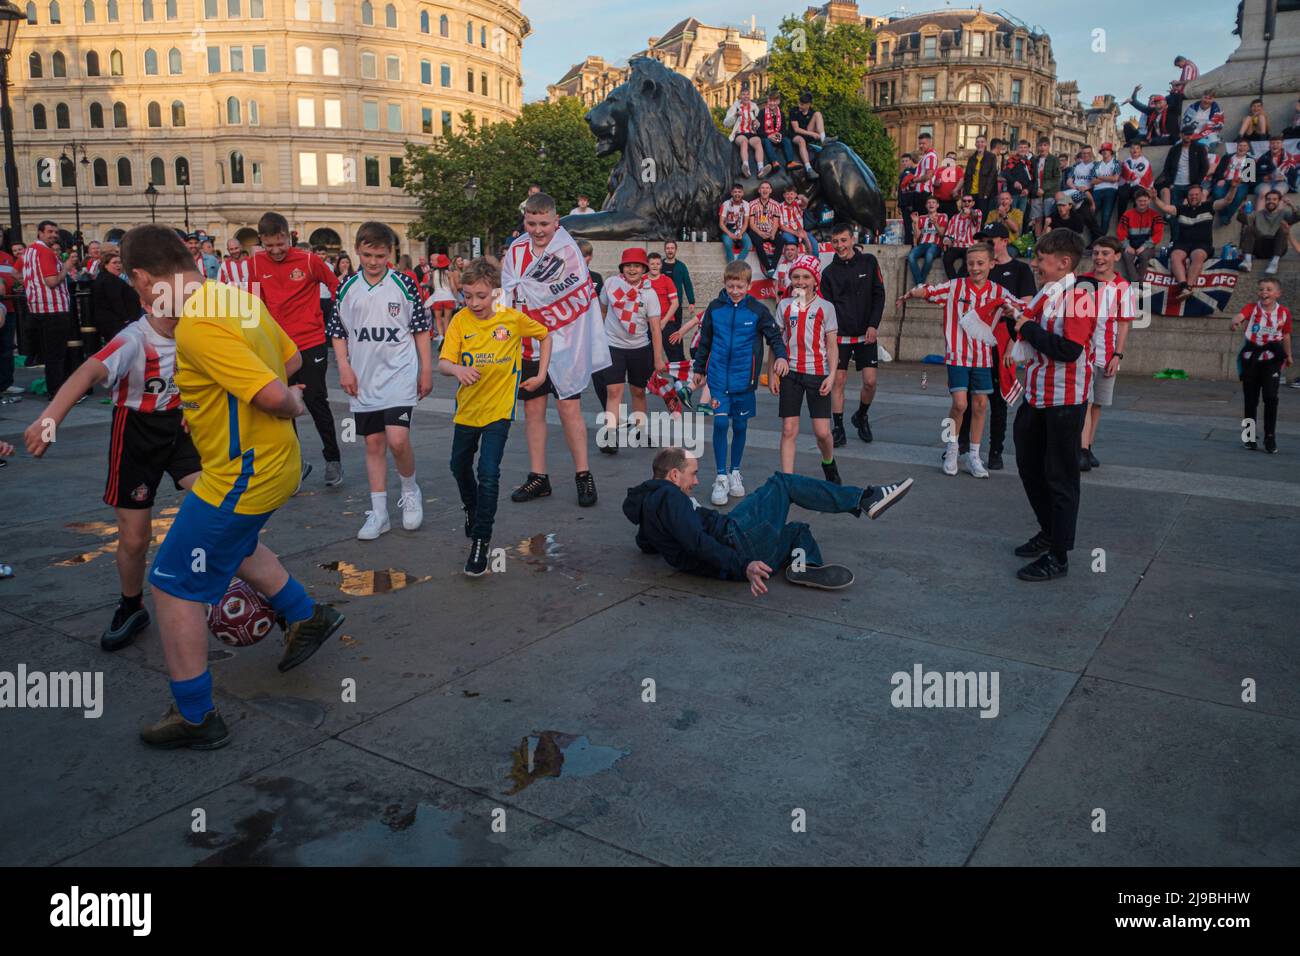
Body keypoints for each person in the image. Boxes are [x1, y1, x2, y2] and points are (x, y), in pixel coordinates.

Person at [122, 224, 343, 750]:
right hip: (274, 463)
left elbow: (275, 390)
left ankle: (197, 716)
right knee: (236, 543)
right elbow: (288, 358)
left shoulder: (196, 324)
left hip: (243, 473)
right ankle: (305, 615)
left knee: (173, 583)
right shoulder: (233, 297)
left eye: (136, 287)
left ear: (142, 277)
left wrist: (289, 402)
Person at [22, 300, 201, 652]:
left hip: (182, 429)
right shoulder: (134, 339)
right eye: (169, 303)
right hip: (136, 433)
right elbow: (85, 373)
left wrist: (196, 405)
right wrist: (50, 419)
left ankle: (244, 587)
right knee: (135, 537)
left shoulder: (195, 333)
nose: (179, 310)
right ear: (148, 301)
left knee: (217, 501)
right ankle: (131, 606)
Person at [623, 447, 914, 594]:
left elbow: (646, 543)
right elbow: (696, 542)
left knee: (797, 530)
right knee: (782, 483)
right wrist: (743, 565)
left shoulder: (650, 507)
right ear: (674, 475)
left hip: (742, 560)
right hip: (735, 542)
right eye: (692, 474)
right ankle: (864, 498)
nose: (697, 481)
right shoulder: (669, 497)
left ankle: (803, 565)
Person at [440, 258, 552, 574]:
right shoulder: (460, 321)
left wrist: (541, 374)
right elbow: (444, 363)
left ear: (495, 293)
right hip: (467, 411)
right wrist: (458, 369)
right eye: (468, 295)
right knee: (458, 466)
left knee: (488, 472)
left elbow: (545, 335)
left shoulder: (512, 319)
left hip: (499, 412)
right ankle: (471, 508)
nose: (474, 302)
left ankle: (480, 540)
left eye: (481, 296)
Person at [995, 229, 1096, 581]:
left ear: (1064, 262)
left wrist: (1025, 326)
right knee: (1028, 464)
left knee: (1061, 476)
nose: (1035, 264)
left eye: (1042, 259)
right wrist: (1012, 318)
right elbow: (1025, 326)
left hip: (1065, 399)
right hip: (1037, 394)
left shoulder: (1080, 294)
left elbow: (1070, 349)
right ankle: (1049, 531)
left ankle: (1059, 555)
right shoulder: (1047, 293)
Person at [502, 191, 609, 509]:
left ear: (556, 221)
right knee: (533, 410)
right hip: (529, 344)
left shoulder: (567, 249)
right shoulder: (516, 250)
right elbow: (509, 292)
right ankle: (539, 476)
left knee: (569, 410)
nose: (537, 230)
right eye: (531, 223)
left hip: (563, 342)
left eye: (543, 224)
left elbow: (578, 293)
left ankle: (583, 474)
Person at [327, 222, 433, 541]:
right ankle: (379, 512)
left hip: (399, 373)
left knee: (398, 440)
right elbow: (338, 332)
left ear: (391, 253)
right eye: (368, 254)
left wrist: (425, 369)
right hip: (364, 377)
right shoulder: (346, 287)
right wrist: (344, 367)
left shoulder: (404, 284)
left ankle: (410, 489)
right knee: (373, 444)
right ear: (358, 250)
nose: (374, 261)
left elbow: (420, 328)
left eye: (380, 255)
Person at [899, 241, 1015, 479]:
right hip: (958, 356)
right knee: (960, 404)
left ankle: (974, 454)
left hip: (983, 357)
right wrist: (913, 293)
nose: (975, 268)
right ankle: (951, 448)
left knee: (981, 405)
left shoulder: (998, 292)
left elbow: (1019, 307)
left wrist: (1015, 312)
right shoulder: (955, 286)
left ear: (992, 264)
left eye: (980, 263)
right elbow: (930, 291)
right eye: (971, 263)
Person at [251, 212, 343, 487]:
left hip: (310, 341)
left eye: (281, 244)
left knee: (315, 401)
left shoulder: (308, 260)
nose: (276, 251)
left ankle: (333, 459)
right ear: (261, 242)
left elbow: (335, 286)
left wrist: (334, 318)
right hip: (276, 346)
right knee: (281, 405)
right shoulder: (255, 263)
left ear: (289, 236)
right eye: (270, 246)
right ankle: (295, 465)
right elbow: (254, 302)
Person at [692, 259, 787, 506]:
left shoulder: (757, 310)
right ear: (725, 283)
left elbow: (775, 337)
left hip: (745, 379)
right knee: (721, 423)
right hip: (718, 378)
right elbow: (705, 340)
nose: (735, 291)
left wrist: (782, 358)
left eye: (740, 286)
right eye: (731, 285)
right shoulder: (715, 308)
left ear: (748, 285)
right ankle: (721, 477)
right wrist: (698, 369)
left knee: (741, 426)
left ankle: (735, 471)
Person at [954, 223, 1036, 470]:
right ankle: (955, 446)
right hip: (969, 347)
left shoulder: (1020, 270)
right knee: (960, 402)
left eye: (989, 242)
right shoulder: (968, 274)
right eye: (981, 242)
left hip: (1001, 346)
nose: (984, 248)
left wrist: (1012, 346)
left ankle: (995, 450)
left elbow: (1024, 311)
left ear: (1004, 241)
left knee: (997, 402)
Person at [771, 255, 839, 483]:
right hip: (790, 373)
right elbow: (776, 341)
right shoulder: (784, 306)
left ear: (815, 280)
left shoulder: (826, 308)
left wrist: (831, 375)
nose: (800, 281)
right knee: (789, 429)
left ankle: (828, 462)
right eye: (796, 276)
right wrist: (772, 372)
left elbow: (831, 346)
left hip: (818, 374)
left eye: (806, 277)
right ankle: (787, 481)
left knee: (822, 433)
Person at [820, 223, 885, 448]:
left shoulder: (869, 262)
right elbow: (826, 308)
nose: (840, 246)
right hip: (840, 337)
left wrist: (873, 325)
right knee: (838, 380)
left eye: (844, 240)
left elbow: (879, 295)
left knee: (870, 382)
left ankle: (861, 415)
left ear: (852, 239)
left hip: (866, 333)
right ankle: (838, 427)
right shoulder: (828, 273)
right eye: (835, 242)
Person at [598, 248, 664, 450]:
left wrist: (658, 358)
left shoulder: (649, 294)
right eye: (628, 265)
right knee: (613, 391)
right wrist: (598, 338)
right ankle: (609, 437)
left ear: (643, 268)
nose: (632, 269)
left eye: (636, 265)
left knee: (638, 392)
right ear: (622, 267)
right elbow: (602, 309)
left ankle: (640, 434)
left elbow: (655, 328)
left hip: (639, 348)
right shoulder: (610, 284)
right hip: (613, 345)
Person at [1078, 237, 1135, 470]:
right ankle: (1080, 450)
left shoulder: (1123, 287)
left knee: (1098, 403)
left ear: (1117, 256)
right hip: (1082, 354)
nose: (1099, 258)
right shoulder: (1082, 283)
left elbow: (1123, 323)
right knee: (1085, 402)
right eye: (1096, 253)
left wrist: (1117, 355)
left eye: (1105, 253)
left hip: (1107, 353)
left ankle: (1088, 447)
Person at [1231, 277, 1291, 453]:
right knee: (1250, 400)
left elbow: (1286, 335)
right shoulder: (1252, 308)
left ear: (1277, 293)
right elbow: (1240, 316)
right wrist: (1234, 322)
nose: (1264, 292)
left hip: (1272, 358)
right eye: (1261, 289)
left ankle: (1270, 437)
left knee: (1271, 397)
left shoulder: (1284, 312)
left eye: (1269, 289)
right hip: (1252, 358)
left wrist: (1288, 355)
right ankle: (1249, 437)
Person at [23, 220, 78, 397]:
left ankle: (53, 389)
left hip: (36, 309)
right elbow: (52, 281)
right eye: (49, 232)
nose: (54, 235)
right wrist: (67, 267)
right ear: (40, 233)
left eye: (56, 232)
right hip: (54, 309)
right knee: (56, 355)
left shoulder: (29, 251)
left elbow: (17, 273)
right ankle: (57, 393)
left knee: (48, 355)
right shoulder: (46, 252)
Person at [1151, 183, 1221, 299]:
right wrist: (1155, 198)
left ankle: (1189, 287)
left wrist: (1233, 188)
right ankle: (1184, 286)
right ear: (1187, 196)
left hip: (1202, 244)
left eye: (1196, 194)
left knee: (1198, 256)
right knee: (1175, 257)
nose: (1193, 197)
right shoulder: (1181, 208)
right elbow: (1165, 208)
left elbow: (1227, 201)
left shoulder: (1209, 206)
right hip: (1183, 243)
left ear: (1201, 195)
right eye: (1191, 195)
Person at [1154, 124, 1210, 240]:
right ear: (1181, 135)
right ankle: (1175, 241)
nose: (1188, 136)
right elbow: (1167, 168)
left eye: (1190, 134)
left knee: (1193, 214)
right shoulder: (1174, 149)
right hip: (1176, 185)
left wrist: (1196, 184)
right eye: (1186, 134)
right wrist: (1170, 183)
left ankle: (1194, 240)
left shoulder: (1199, 148)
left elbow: (1204, 167)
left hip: (1192, 186)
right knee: (1175, 214)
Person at [90, 251, 141, 344]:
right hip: (115, 322)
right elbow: (115, 300)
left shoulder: (106, 278)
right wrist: (126, 318)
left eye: (120, 263)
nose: (118, 265)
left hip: (112, 321)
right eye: (114, 263)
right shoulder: (110, 279)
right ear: (105, 265)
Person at [1241, 191, 1296, 274]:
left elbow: (1297, 216)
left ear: (1279, 201)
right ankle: (1247, 261)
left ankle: (1274, 263)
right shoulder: (1258, 214)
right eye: (1268, 199)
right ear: (1265, 201)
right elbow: (1243, 219)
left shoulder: (1284, 213)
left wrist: (1291, 205)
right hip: (1260, 248)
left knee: (1282, 229)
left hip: (1277, 248)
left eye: (1274, 199)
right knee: (1249, 228)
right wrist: (1241, 209)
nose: (1271, 201)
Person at [1117, 189, 1164, 282]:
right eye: (1140, 201)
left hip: (1148, 246)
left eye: (1145, 201)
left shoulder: (1155, 216)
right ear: (1136, 201)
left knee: (1143, 255)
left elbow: (1158, 234)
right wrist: (1127, 246)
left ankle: (1141, 283)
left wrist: (1144, 246)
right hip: (1131, 245)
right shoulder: (1127, 215)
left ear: (1149, 200)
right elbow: (1121, 232)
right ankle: (1135, 283)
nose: (1142, 203)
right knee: (1126, 255)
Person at [724, 82, 765, 178]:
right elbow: (726, 124)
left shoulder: (754, 107)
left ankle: (761, 168)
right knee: (744, 141)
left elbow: (758, 123)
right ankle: (745, 166)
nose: (746, 97)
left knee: (758, 141)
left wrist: (757, 124)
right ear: (740, 96)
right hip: (740, 133)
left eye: (747, 94)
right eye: (743, 94)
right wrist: (735, 115)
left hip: (751, 132)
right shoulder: (735, 107)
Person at [1212, 139, 1257, 226]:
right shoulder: (1227, 157)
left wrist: (1241, 180)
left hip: (1241, 182)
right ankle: (1225, 215)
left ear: (1248, 148)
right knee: (1217, 193)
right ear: (1237, 146)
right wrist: (1220, 179)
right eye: (1240, 145)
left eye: (1245, 146)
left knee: (1239, 196)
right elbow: (1219, 170)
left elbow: (1251, 178)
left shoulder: (1250, 160)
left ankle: (1226, 217)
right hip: (1225, 180)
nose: (1242, 148)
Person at [747, 180, 784, 278]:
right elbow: (751, 223)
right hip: (757, 230)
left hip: (770, 230)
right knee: (758, 243)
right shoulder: (752, 204)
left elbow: (776, 222)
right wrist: (760, 233)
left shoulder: (775, 204)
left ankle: (773, 266)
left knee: (780, 241)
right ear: (759, 190)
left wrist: (772, 233)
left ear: (771, 190)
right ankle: (768, 268)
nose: (765, 190)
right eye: (762, 188)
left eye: (767, 188)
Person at [908, 196, 947, 285]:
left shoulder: (943, 216)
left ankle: (919, 284)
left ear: (937, 205)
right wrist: (915, 222)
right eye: (929, 203)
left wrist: (935, 223)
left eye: (933, 202)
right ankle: (920, 284)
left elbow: (942, 234)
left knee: (929, 255)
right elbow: (917, 236)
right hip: (923, 244)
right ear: (926, 206)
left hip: (935, 245)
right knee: (911, 256)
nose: (931, 204)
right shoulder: (921, 217)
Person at [941, 194, 983, 279]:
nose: (967, 203)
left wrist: (970, 212)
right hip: (956, 245)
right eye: (964, 201)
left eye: (969, 201)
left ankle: (957, 282)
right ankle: (954, 281)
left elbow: (976, 216)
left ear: (973, 203)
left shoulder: (978, 212)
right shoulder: (954, 217)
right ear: (961, 203)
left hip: (970, 246)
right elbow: (949, 234)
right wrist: (946, 240)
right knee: (946, 259)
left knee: (968, 263)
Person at [788, 90, 825, 179]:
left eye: (802, 105)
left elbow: (813, 127)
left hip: (807, 132)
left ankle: (824, 139)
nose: (799, 106)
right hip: (795, 134)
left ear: (808, 105)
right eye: (799, 104)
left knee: (818, 114)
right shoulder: (794, 111)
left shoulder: (812, 112)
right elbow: (796, 129)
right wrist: (812, 134)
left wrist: (817, 133)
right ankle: (809, 168)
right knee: (801, 141)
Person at [661, 240, 696, 334]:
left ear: (676, 250)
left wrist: (691, 302)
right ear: (665, 250)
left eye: (672, 248)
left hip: (676, 304)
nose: (670, 250)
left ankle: (675, 348)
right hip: (661, 304)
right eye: (668, 248)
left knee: (675, 331)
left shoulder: (681, 266)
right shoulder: (659, 265)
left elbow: (687, 284)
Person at [1028, 137, 1062, 232]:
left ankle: (1047, 240)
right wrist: (1033, 192)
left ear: (1048, 146)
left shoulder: (1054, 160)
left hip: (1049, 194)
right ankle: (1038, 241)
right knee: (1037, 219)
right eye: (1040, 145)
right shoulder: (1034, 160)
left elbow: (1057, 178)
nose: (1042, 148)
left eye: (1045, 145)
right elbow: (1032, 178)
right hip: (1036, 194)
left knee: (1048, 218)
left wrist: (1043, 188)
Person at [760, 89, 795, 178]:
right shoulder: (761, 112)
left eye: (774, 101)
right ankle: (774, 162)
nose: (772, 103)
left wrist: (780, 135)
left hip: (777, 136)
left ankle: (790, 162)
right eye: (770, 100)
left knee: (786, 140)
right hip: (766, 137)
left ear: (778, 102)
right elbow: (758, 130)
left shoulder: (781, 113)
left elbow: (784, 129)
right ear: (767, 101)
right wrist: (769, 136)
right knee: (767, 142)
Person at [962, 135, 999, 217]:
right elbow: (967, 177)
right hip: (971, 193)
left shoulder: (991, 157)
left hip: (984, 193)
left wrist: (986, 193)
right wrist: (965, 193)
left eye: (982, 142)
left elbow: (992, 176)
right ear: (975, 144)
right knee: (970, 215)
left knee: (982, 216)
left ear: (985, 144)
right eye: (978, 142)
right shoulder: (972, 158)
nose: (980, 144)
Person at [778, 183, 817, 255]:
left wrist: (802, 197)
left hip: (801, 231)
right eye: (787, 194)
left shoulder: (798, 203)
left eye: (792, 194)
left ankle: (814, 262)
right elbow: (781, 226)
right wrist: (796, 233)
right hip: (788, 232)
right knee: (791, 242)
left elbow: (805, 202)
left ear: (795, 195)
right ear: (784, 196)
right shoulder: (779, 207)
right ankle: (793, 263)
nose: (789, 196)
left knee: (814, 243)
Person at [423, 253, 456, 338]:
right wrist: (455, 297)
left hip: (437, 298)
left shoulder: (434, 273)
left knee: (438, 320)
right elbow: (452, 287)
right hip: (448, 298)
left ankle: (441, 337)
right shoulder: (450, 273)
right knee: (447, 320)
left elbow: (433, 286)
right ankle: (447, 338)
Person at [1091, 144, 1121, 237]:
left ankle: (1101, 236)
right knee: (1091, 213)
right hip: (1097, 190)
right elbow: (1093, 181)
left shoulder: (1116, 163)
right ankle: (1094, 236)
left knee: (1106, 215)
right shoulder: (1097, 164)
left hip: (1111, 190)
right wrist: (1108, 177)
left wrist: (1099, 177)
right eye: (1103, 150)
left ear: (1111, 152)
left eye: (1107, 150)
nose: (1104, 152)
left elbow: (1115, 178)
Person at [718, 182, 753, 264]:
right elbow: (721, 224)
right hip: (728, 230)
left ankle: (737, 263)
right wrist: (729, 234)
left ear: (743, 193)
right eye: (735, 192)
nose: (737, 194)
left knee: (748, 245)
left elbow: (746, 223)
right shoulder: (726, 204)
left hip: (740, 229)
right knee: (727, 244)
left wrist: (741, 233)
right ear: (732, 193)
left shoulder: (746, 204)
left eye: (739, 192)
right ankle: (731, 264)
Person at [1118, 142, 1154, 217]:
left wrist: (1127, 171)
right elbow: (1123, 174)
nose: (1135, 150)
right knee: (1122, 195)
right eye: (1133, 148)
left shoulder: (1145, 162)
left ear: (1141, 150)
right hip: (1127, 184)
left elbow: (1137, 175)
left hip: (1139, 184)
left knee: (1138, 195)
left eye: (1137, 148)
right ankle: (1121, 220)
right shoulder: (1126, 161)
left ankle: (1136, 219)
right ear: (1130, 150)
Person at [1004, 140, 1034, 216]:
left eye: (1025, 147)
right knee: (1011, 215)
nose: (1023, 149)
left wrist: (1028, 189)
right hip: (1013, 194)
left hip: (1024, 194)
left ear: (1028, 149)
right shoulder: (1011, 160)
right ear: (1017, 148)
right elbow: (1005, 173)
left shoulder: (1028, 162)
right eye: (1021, 147)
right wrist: (1014, 182)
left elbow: (1031, 179)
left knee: (1020, 217)